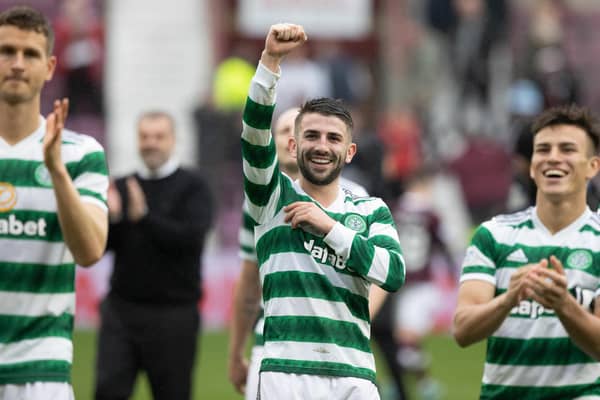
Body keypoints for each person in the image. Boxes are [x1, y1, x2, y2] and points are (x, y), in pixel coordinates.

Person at [241, 23, 406, 399]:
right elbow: (253, 133)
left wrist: (330, 228)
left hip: (354, 375)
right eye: (312, 136)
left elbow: (393, 273)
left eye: (334, 139)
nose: (322, 146)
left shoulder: (371, 210)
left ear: (349, 152)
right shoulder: (271, 198)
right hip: (287, 374)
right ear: (294, 143)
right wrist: (270, 62)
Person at [453, 104, 600, 399]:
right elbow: (463, 331)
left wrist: (563, 304)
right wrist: (508, 299)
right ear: (532, 165)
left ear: (592, 166)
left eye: (568, 149)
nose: (554, 158)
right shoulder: (493, 234)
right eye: (543, 149)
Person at [0, 6, 109, 400]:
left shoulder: (81, 154)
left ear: (49, 68)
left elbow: (90, 250)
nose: (16, 63)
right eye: (6, 51)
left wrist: (56, 172)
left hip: (41, 370)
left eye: (29, 54)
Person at [228, 107, 369, 399]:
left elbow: (379, 271)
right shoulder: (259, 204)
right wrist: (236, 350)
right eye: (282, 132)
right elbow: (249, 279)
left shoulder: (357, 200)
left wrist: (360, 321)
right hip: (276, 345)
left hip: (340, 347)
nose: (288, 139)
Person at [94, 111, 214, 400]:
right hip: (121, 310)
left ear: (173, 140)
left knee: (172, 394)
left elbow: (190, 239)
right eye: (145, 137)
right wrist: (112, 218)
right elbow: (102, 248)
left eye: (159, 137)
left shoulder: (194, 186)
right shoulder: (122, 186)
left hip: (174, 314)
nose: (151, 143)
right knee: (107, 392)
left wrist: (145, 217)